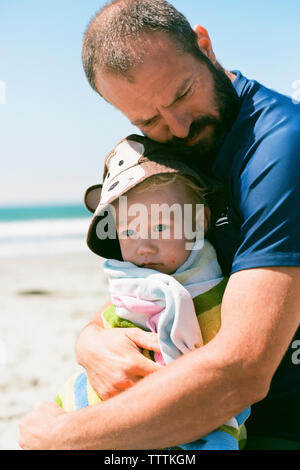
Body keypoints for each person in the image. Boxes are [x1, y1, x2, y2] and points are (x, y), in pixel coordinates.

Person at [19, 0, 300, 450]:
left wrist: (63, 439)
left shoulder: (282, 147)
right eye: (148, 120)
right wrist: (90, 340)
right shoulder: (172, 152)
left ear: (204, 46)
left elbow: (244, 372)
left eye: (183, 93)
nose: (179, 128)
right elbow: (163, 279)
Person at [54, 134, 250, 450]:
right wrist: (88, 339)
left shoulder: (218, 294)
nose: (144, 246)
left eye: (160, 228)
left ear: (199, 222)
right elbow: (109, 323)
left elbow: (230, 384)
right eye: (129, 231)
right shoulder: (129, 282)